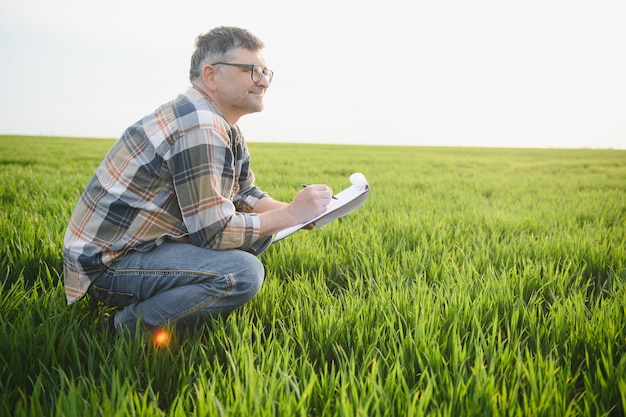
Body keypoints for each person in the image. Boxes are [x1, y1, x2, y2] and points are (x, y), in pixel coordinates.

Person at [63, 26, 333, 341]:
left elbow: (244, 192)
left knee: (258, 237)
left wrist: (298, 213)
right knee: (242, 273)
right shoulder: (200, 125)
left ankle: (160, 303)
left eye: (266, 72)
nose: (263, 80)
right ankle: (125, 329)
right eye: (252, 71)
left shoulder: (218, 122)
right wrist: (290, 216)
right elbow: (214, 232)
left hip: (139, 247)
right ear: (211, 75)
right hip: (108, 263)